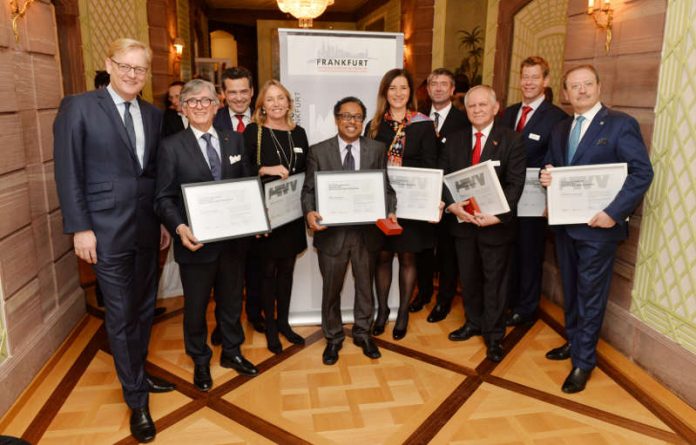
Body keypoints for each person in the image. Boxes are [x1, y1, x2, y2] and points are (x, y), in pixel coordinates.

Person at [54, 38, 174, 443]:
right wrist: (80, 228)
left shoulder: (154, 115)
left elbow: (153, 174)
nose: (132, 74)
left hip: (145, 228)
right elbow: (68, 171)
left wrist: (160, 221)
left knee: (143, 310)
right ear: (109, 63)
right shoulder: (80, 107)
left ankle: (137, 374)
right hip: (103, 231)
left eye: (140, 69)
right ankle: (136, 399)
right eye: (125, 66)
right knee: (121, 314)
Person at [540, 65, 653, 393]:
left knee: (591, 295)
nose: (581, 91)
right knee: (571, 289)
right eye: (574, 86)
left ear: (599, 87)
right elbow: (551, 167)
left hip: (598, 229)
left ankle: (583, 362)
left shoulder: (620, 124)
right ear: (565, 93)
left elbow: (641, 173)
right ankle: (574, 343)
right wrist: (545, 177)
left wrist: (613, 213)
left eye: (587, 84)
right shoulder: (562, 129)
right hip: (565, 226)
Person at [155, 79, 260, 394]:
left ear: (218, 105)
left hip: (232, 243)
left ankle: (232, 352)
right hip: (195, 244)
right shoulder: (171, 147)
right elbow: (163, 198)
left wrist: (255, 217)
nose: (200, 106)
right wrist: (179, 227)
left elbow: (247, 185)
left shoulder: (235, 141)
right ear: (183, 109)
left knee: (231, 301)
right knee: (196, 307)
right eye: (192, 102)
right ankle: (200, 359)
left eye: (206, 100)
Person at [302, 96, 397, 365]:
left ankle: (363, 333)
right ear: (337, 119)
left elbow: (386, 187)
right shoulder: (318, 151)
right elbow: (308, 191)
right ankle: (333, 338)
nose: (351, 122)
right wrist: (309, 213)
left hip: (367, 233)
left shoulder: (377, 149)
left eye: (356, 117)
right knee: (331, 289)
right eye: (345, 116)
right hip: (332, 234)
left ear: (363, 121)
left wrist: (390, 208)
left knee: (365, 287)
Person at [441, 85, 526, 363]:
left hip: (496, 227)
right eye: (472, 106)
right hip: (463, 224)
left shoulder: (511, 140)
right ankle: (473, 322)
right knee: (469, 278)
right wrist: (452, 205)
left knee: (495, 282)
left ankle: (494, 335)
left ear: (495, 107)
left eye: (482, 105)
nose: (477, 110)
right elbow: (442, 178)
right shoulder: (453, 140)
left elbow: (515, 184)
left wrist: (499, 216)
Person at [365, 68, 438, 340]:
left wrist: (431, 203)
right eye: (392, 88)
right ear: (385, 92)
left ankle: (403, 313)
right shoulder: (373, 126)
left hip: (413, 205)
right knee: (382, 257)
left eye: (403, 88)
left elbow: (432, 165)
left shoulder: (423, 124)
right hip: (382, 204)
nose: (398, 93)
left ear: (411, 93)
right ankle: (382, 312)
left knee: (408, 257)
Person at [501, 56, 567, 328]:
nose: (528, 82)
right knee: (508, 251)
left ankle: (526, 307)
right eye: (524, 76)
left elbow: (558, 160)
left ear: (546, 81)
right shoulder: (507, 113)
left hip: (534, 201)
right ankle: (508, 300)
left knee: (529, 253)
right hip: (507, 198)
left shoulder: (558, 118)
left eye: (534, 77)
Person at [244, 80, 308, 354]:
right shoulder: (253, 132)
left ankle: (283, 322)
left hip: (292, 215)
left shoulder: (299, 133)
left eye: (281, 98)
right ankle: (269, 326)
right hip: (268, 215)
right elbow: (243, 172)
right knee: (267, 273)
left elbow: (306, 170)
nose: (276, 103)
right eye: (270, 99)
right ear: (262, 106)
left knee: (287, 272)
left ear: (289, 103)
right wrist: (266, 169)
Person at [411, 68, 470, 324]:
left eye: (443, 84)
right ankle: (423, 293)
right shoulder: (416, 118)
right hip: (421, 196)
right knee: (422, 248)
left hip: (450, 197)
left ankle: (443, 300)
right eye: (433, 83)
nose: (437, 88)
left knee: (447, 252)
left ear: (452, 90)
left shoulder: (464, 120)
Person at [212, 66, 265, 339]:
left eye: (244, 91)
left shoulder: (265, 118)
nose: (239, 98)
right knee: (225, 274)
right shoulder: (212, 118)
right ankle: (224, 324)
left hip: (258, 206)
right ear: (223, 94)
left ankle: (255, 315)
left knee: (256, 267)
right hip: (226, 210)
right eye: (232, 92)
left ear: (252, 91)